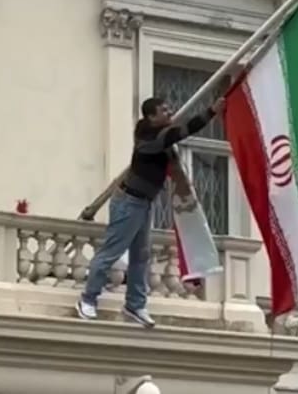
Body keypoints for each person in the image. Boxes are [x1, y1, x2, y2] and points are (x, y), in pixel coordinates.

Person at [76, 96, 225, 327]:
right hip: (128, 202)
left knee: (141, 256)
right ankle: (88, 299)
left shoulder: (160, 134)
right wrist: (211, 112)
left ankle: (135, 305)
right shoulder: (149, 138)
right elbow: (182, 132)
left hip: (144, 203)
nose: (169, 112)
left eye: (168, 108)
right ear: (151, 116)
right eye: (164, 111)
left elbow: (175, 135)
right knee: (110, 252)